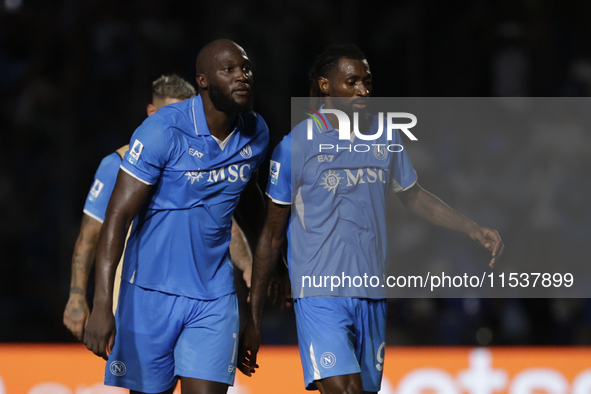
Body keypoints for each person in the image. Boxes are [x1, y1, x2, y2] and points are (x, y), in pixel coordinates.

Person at [238, 44, 505, 394]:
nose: (363, 91)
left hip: (372, 290)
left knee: (362, 390)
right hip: (319, 292)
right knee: (345, 389)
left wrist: (471, 227)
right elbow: (272, 235)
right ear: (324, 85)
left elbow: (414, 195)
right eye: (352, 82)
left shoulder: (385, 135)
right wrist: (254, 318)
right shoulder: (295, 147)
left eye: (367, 82)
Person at [82, 39, 269, 394]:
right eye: (228, 70)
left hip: (214, 296)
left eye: (245, 68)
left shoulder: (255, 132)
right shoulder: (162, 131)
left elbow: (249, 198)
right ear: (203, 80)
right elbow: (117, 218)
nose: (241, 77)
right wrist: (102, 304)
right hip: (149, 295)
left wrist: (272, 261)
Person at [63, 74, 199, 340]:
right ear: (151, 113)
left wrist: (248, 264)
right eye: (168, 115)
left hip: (192, 300)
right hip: (133, 304)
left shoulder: (199, 167)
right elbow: (89, 236)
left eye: (183, 116)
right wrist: (77, 297)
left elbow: (223, 226)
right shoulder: (117, 165)